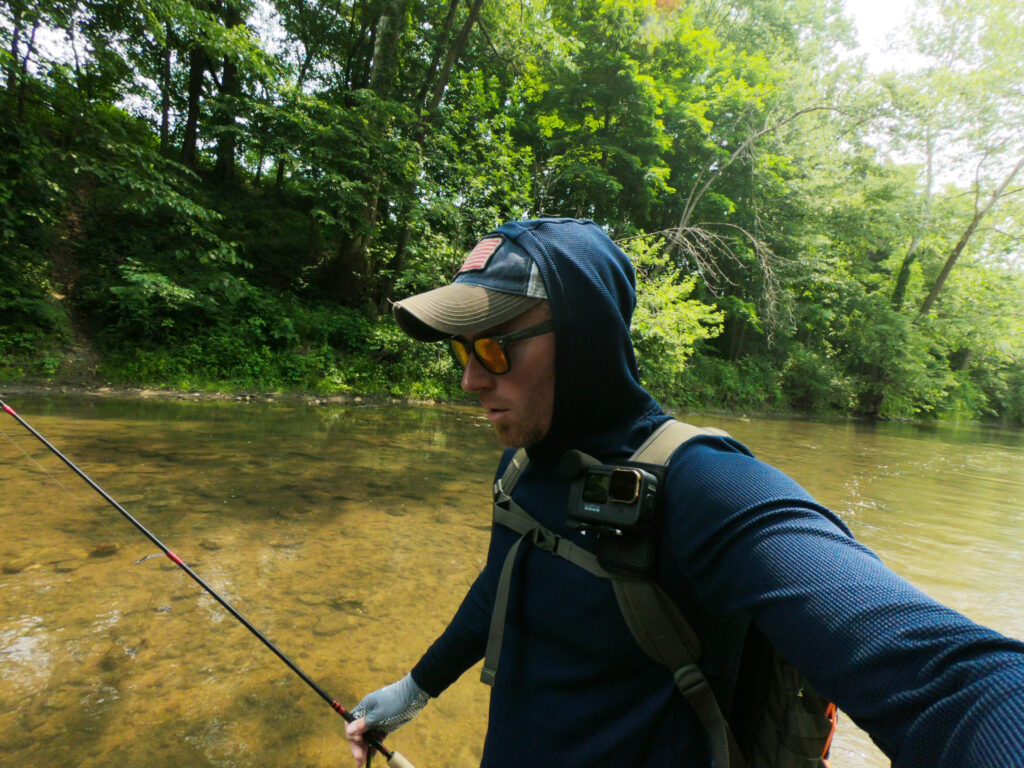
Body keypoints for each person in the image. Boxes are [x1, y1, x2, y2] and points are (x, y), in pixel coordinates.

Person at [344, 218, 1024, 767]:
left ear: (584, 338)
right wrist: (414, 689)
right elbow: (504, 584)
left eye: (492, 347)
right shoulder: (521, 469)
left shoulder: (706, 486)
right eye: (461, 350)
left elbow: (953, 681)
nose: (470, 380)